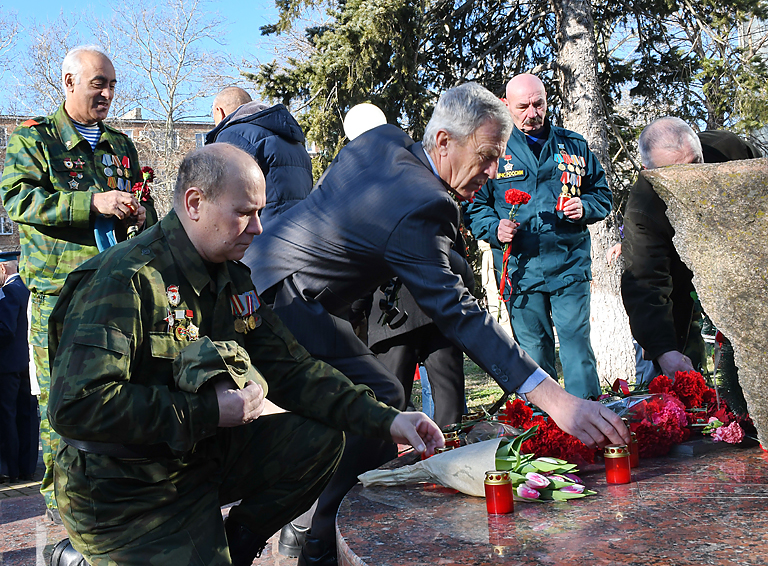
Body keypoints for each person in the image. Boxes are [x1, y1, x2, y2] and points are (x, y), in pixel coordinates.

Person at [243, 82, 629, 566]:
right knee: (378, 399)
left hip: (264, 275)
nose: (492, 173)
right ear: (443, 142)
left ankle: (310, 532)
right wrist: (555, 399)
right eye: (487, 157)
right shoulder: (423, 204)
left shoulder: (382, 141)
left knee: (369, 400)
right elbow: (459, 312)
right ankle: (310, 539)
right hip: (284, 299)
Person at [46, 143, 441, 566]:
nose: (258, 228)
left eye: (259, 212)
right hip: (121, 489)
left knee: (320, 437)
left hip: (194, 460)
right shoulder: (126, 279)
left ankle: (234, 547)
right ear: (195, 203)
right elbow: (75, 406)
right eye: (244, 213)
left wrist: (390, 420)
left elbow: (294, 371)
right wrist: (205, 411)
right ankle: (88, 556)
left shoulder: (230, 277)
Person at [0, 45, 155, 522]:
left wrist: (140, 214)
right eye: (98, 84)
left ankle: (109, 490)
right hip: (60, 294)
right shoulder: (33, 142)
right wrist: (93, 202)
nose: (107, 93)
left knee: (117, 389)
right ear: (68, 83)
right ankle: (61, 504)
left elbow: (133, 210)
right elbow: (18, 200)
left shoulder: (120, 146)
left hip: (115, 291)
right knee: (60, 399)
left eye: (112, 84)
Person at [463, 73, 611, 400]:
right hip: (520, 269)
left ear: (546, 101)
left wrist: (584, 206)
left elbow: (602, 195)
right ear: (506, 106)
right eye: (523, 106)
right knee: (533, 352)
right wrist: (494, 228)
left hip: (569, 265)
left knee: (575, 343)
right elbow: (475, 205)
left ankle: (589, 419)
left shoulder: (574, 145)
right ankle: (542, 428)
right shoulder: (493, 151)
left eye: (538, 103)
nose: (532, 112)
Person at [621, 117, 761, 377]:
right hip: (685, 284)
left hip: (746, 269)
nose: (692, 178)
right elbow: (645, 282)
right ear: (648, 170)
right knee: (684, 371)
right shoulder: (644, 207)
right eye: (677, 173)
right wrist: (665, 351)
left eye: (696, 163)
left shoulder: (732, 152)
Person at [206, 86, 313, 227]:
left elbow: (222, 199)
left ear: (220, 112)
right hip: (301, 234)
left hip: (264, 237)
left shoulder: (232, 135)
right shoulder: (295, 142)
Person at [0, 251, 37, 483]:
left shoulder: (9, 291)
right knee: (28, 416)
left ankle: (8, 469)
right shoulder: (28, 289)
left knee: (7, 417)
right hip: (27, 362)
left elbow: (5, 329)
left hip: (7, 364)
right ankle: (27, 467)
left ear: (3, 269)